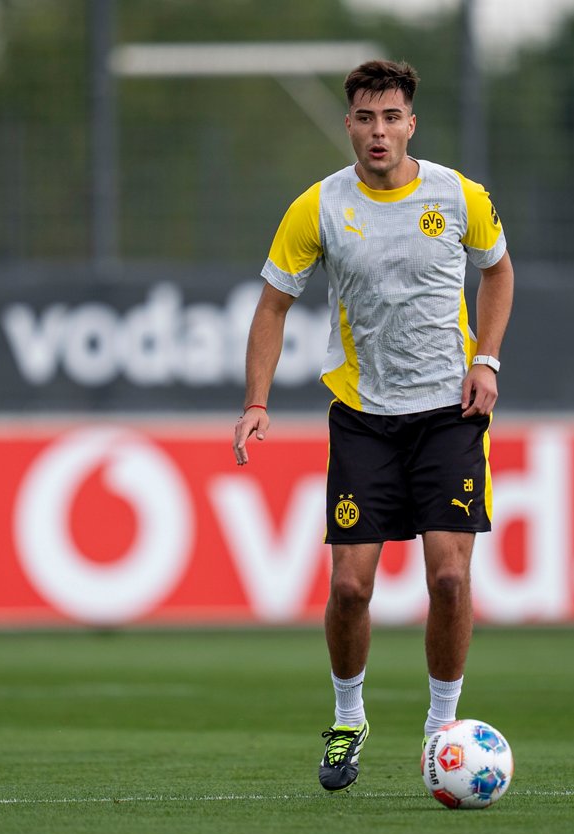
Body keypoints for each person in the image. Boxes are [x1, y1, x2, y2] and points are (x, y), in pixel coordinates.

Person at [232, 59, 513, 793]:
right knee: (351, 589)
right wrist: (256, 402)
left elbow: (499, 270)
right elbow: (272, 305)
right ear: (349, 124)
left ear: (410, 124)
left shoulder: (458, 195)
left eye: (392, 117)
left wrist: (486, 359)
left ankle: (440, 730)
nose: (378, 131)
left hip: (450, 414)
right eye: (365, 117)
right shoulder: (319, 207)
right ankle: (348, 716)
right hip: (363, 419)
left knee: (450, 577)